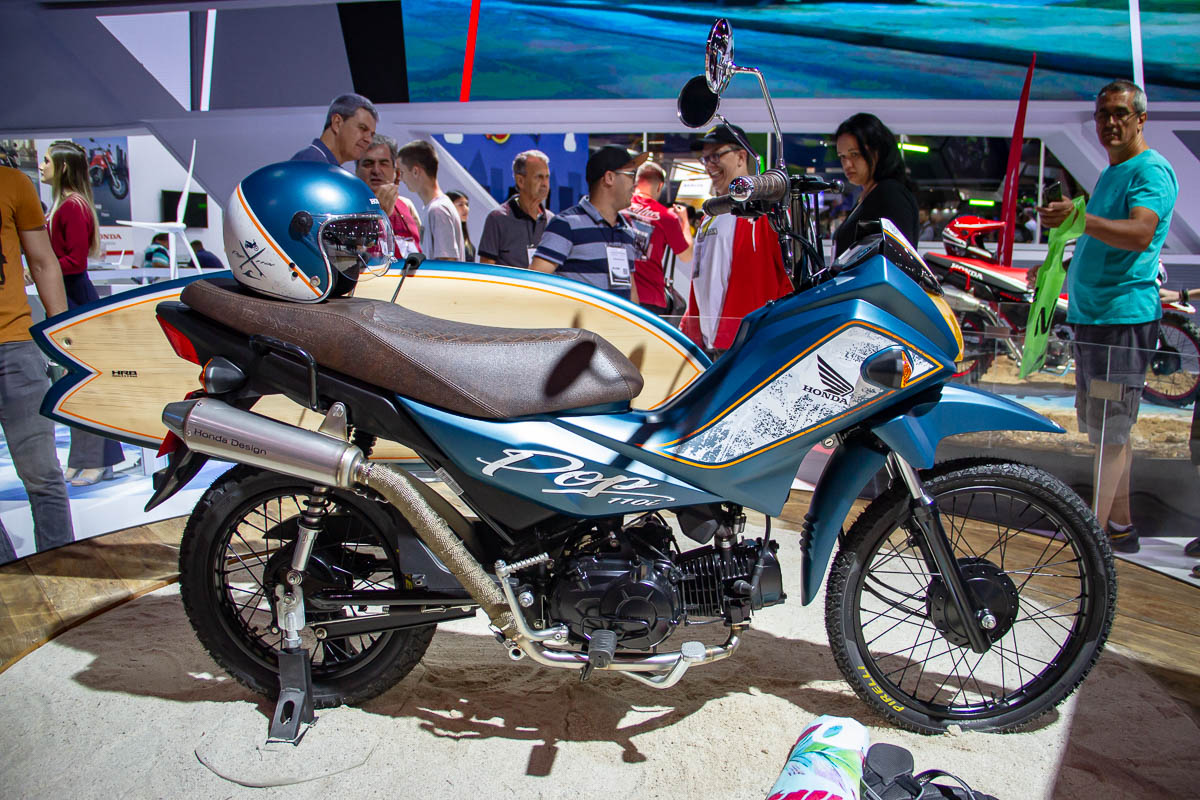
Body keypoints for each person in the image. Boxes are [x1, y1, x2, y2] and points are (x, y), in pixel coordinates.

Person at [1035, 80, 1178, 553]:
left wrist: (1080, 221)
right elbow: (1105, 237)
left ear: (1140, 119)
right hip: (1097, 319)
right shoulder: (1114, 172)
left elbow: (1140, 233)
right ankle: (1119, 527)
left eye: (1120, 113)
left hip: (1122, 320)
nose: (1110, 123)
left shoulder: (1150, 170)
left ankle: (1090, 538)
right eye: (1103, 114)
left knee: (1110, 430)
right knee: (1107, 430)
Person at [39, 141, 124, 486]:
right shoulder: (64, 205)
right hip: (66, 299)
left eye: (46, 161)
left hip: (75, 302)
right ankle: (88, 459)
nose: (41, 166)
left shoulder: (72, 207)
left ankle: (95, 460)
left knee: (85, 385)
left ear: (62, 167)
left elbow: (75, 261)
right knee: (73, 383)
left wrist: (40, 268)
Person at [0, 164, 74, 562]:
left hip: (14, 347)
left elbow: (44, 262)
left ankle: (61, 571)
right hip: (16, 353)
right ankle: (11, 578)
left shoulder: (13, 184)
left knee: (43, 474)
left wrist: (63, 340)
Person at [682, 123, 792, 355]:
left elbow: (788, 278)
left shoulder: (765, 212)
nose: (709, 165)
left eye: (716, 156)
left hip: (749, 343)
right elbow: (702, 277)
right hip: (710, 345)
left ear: (741, 156)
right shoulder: (710, 214)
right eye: (705, 159)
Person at [529, 144, 644, 302]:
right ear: (609, 178)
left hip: (617, 320)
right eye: (631, 174)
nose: (635, 184)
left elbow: (631, 292)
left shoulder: (626, 232)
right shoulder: (566, 225)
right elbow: (534, 283)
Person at [832, 113, 920, 256]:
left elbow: (898, 258)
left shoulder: (891, 195)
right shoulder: (868, 195)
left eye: (855, 154)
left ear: (877, 151)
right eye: (842, 156)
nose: (847, 164)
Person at [621, 160, 693, 316]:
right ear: (660, 186)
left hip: (618, 294)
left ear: (635, 182)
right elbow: (687, 255)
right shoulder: (667, 217)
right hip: (651, 297)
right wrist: (684, 221)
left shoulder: (619, 208)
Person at [478, 150, 553, 268]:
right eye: (539, 177)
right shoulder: (498, 219)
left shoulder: (551, 221)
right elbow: (486, 270)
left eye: (547, 177)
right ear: (520, 181)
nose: (545, 183)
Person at [355, 134, 422, 258]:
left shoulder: (406, 206)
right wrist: (378, 216)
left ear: (397, 173)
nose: (376, 170)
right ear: (356, 171)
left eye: (383, 163)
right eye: (368, 163)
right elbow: (351, 257)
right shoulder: (348, 210)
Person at [396, 139, 464, 261]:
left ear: (415, 171)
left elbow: (446, 262)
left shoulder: (438, 210)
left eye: (402, 172)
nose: (400, 178)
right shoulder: (434, 208)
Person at [290, 93, 377, 168]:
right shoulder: (310, 165)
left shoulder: (325, 166)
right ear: (337, 123)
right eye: (362, 128)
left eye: (372, 135)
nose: (369, 140)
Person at [445, 191, 476, 262]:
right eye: (460, 205)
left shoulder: (465, 237)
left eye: (467, 205)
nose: (466, 208)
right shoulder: (446, 235)